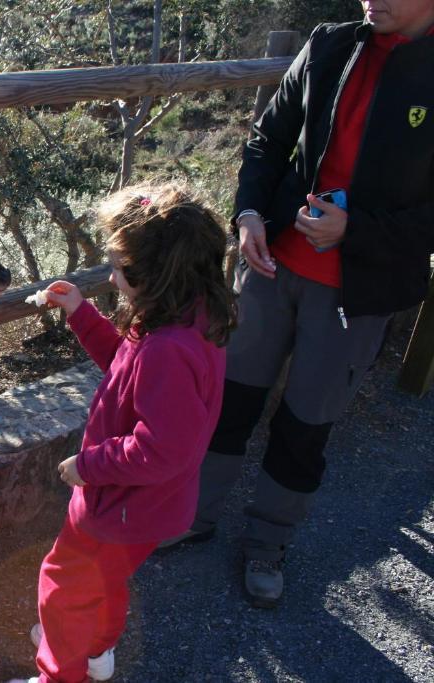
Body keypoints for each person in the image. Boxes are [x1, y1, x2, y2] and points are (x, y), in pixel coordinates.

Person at [161, 0, 434, 608]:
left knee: (305, 423)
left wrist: (354, 230)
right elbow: (268, 139)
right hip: (271, 264)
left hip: (358, 291)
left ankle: (268, 543)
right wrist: (250, 214)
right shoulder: (330, 44)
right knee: (228, 399)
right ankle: (193, 514)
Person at [11, 183, 238, 683]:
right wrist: (80, 313)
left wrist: (88, 466)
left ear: (154, 275)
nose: (110, 278)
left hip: (118, 503)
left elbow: (163, 446)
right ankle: (96, 652)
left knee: (63, 586)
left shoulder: (166, 348)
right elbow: (126, 370)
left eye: (118, 268)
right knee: (105, 581)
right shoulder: (186, 318)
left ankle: (58, 673)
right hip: (148, 506)